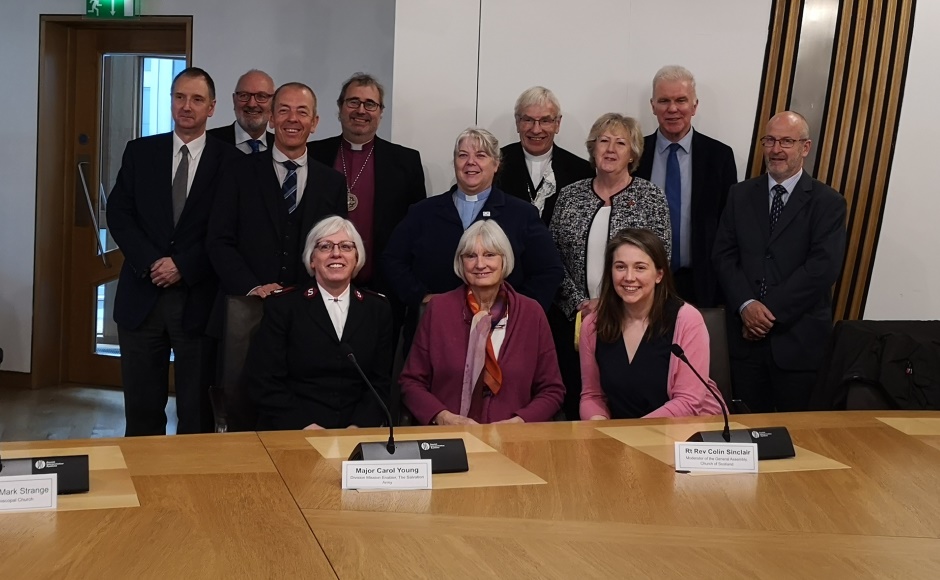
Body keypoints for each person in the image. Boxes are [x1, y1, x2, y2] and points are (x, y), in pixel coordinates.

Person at [106, 67, 237, 436]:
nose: (186, 106)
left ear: (211, 108)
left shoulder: (232, 163)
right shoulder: (140, 152)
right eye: (179, 97)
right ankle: (141, 487)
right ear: (170, 102)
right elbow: (119, 214)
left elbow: (227, 230)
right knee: (142, 409)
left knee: (196, 413)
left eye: (197, 99)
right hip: (142, 296)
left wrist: (183, 265)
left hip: (198, 300)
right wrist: (151, 262)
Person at [383, 127, 563, 353]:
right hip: (435, 333)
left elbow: (550, 271)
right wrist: (420, 297)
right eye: (462, 155)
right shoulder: (422, 213)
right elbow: (393, 260)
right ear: (455, 162)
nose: (471, 162)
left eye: (481, 155)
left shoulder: (521, 214)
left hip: (502, 336)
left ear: (496, 164)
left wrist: (516, 310)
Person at [713, 111, 847, 413]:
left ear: (805, 147)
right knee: (745, 434)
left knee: (799, 439)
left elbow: (822, 269)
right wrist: (746, 306)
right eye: (770, 140)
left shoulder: (828, 202)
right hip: (744, 344)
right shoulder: (739, 194)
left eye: (787, 141)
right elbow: (723, 255)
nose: (776, 149)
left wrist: (766, 314)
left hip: (798, 345)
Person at [549, 113, 672, 420]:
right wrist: (579, 303)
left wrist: (613, 303)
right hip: (575, 320)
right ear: (592, 148)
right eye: (604, 141)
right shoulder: (570, 195)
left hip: (631, 319)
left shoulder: (650, 197)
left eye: (621, 143)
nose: (611, 149)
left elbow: (660, 258)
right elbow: (551, 257)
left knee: (621, 400)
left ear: (633, 153)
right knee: (578, 399)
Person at [400, 221, 564, 425]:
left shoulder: (531, 313)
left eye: (490, 255)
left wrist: (519, 423)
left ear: (504, 260)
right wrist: (443, 417)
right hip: (450, 437)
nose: (480, 264)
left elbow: (552, 390)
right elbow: (411, 383)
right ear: (461, 263)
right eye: (471, 256)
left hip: (515, 439)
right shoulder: (439, 310)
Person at [244, 217, 393, 430]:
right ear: (312, 259)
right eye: (325, 247)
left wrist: (358, 427)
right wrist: (305, 425)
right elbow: (264, 380)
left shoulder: (377, 308)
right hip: (294, 429)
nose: (336, 253)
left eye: (346, 246)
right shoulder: (283, 306)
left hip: (357, 432)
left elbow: (380, 384)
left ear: (357, 257)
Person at [207, 82, 346, 306]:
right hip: (245, 304)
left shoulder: (333, 182)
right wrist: (251, 287)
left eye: (302, 112)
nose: (293, 118)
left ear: (314, 123)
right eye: (283, 110)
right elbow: (218, 240)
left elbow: (336, 249)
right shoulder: (237, 172)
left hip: (308, 309)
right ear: (271, 118)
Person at [307, 73, 426, 334]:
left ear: (380, 112)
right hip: (319, 287)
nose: (361, 110)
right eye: (353, 102)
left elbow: (417, 234)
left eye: (370, 104)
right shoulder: (313, 154)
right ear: (339, 108)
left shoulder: (405, 162)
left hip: (383, 288)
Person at [579, 229, 722, 420]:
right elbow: (592, 395)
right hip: (625, 439)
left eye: (640, 268)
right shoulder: (592, 325)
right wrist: (599, 426)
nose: (629, 277)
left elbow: (688, 401)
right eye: (620, 267)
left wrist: (633, 435)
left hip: (688, 433)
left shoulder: (686, 319)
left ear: (659, 275)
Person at [634, 65, 737, 307]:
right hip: (641, 283)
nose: (672, 109)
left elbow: (728, 226)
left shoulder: (719, 157)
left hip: (701, 284)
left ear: (694, 105)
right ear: (652, 105)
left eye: (681, 100)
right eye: (664, 101)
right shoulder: (635, 154)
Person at [495, 86, 593, 226]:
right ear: (518, 122)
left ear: (557, 124)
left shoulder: (581, 171)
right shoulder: (493, 162)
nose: (536, 129)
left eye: (545, 121)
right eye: (528, 120)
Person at [207, 69, 276, 154]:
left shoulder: (281, 147)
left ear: (273, 103)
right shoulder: (208, 143)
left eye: (261, 96)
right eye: (244, 95)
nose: (252, 104)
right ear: (234, 100)